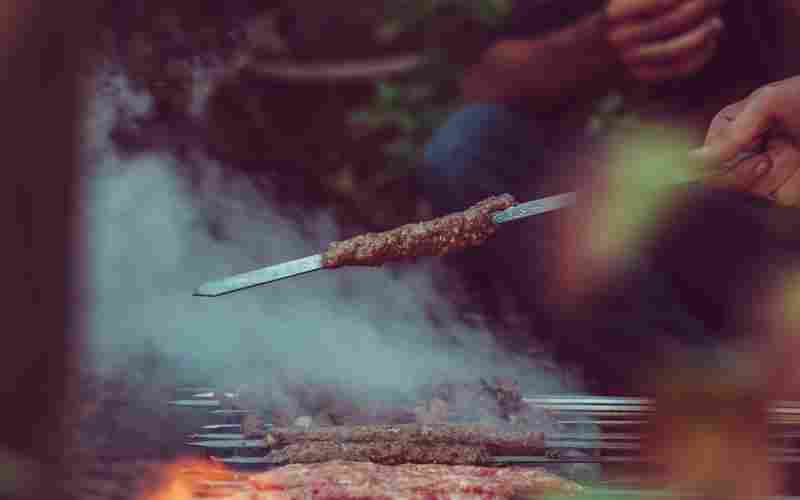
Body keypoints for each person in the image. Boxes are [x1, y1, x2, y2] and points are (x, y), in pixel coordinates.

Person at [416, 0, 792, 393]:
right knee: (472, 146)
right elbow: (487, 81)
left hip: (778, 244)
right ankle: (696, 392)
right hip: (690, 211)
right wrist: (603, 41)